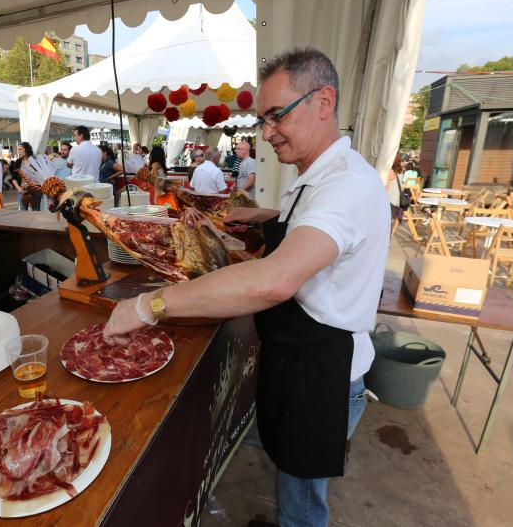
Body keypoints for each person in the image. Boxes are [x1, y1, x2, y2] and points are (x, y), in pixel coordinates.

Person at [103, 47, 390, 527]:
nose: (267, 132)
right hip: (299, 358)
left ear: (324, 102)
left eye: (278, 115)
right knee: (287, 475)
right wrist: (266, 216)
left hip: (323, 374)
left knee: (300, 506)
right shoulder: (320, 179)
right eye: (262, 119)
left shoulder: (347, 186)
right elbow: (318, 229)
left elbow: (276, 280)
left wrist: (150, 305)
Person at [13, 141, 43, 211]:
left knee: (35, 212)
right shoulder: (18, 161)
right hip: (23, 191)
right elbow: (13, 178)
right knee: (23, 213)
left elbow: (41, 177)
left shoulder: (35, 161)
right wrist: (18, 188)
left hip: (35, 190)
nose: (19, 152)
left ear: (26, 150)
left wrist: (30, 183)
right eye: (18, 150)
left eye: (20, 149)